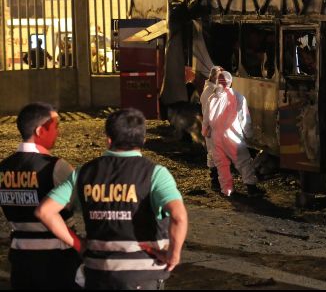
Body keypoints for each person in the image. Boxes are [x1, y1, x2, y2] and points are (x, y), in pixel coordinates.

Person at [36, 108, 188, 290]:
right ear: (144, 140)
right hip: (143, 275)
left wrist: (79, 244)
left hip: (99, 274)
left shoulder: (84, 173)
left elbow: (44, 211)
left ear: (108, 138)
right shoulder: (155, 174)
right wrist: (174, 254)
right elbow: (179, 216)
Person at [0, 102, 81, 289]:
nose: (58, 133)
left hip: (20, 259)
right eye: (54, 127)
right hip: (58, 260)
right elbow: (78, 204)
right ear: (39, 131)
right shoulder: (56, 167)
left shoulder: (3, 168)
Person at [203, 71, 261, 197]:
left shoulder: (212, 98)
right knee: (243, 162)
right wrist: (249, 135)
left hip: (216, 137)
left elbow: (206, 118)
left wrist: (205, 132)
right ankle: (251, 188)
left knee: (222, 165)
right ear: (231, 82)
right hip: (233, 136)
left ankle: (227, 190)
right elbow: (244, 119)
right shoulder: (238, 97)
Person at [201, 66, 224, 192]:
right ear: (214, 76)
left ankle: (216, 180)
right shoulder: (210, 91)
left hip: (212, 126)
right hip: (211, 127)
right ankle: (215, 180)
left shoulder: (210, 89)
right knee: (213, 153)